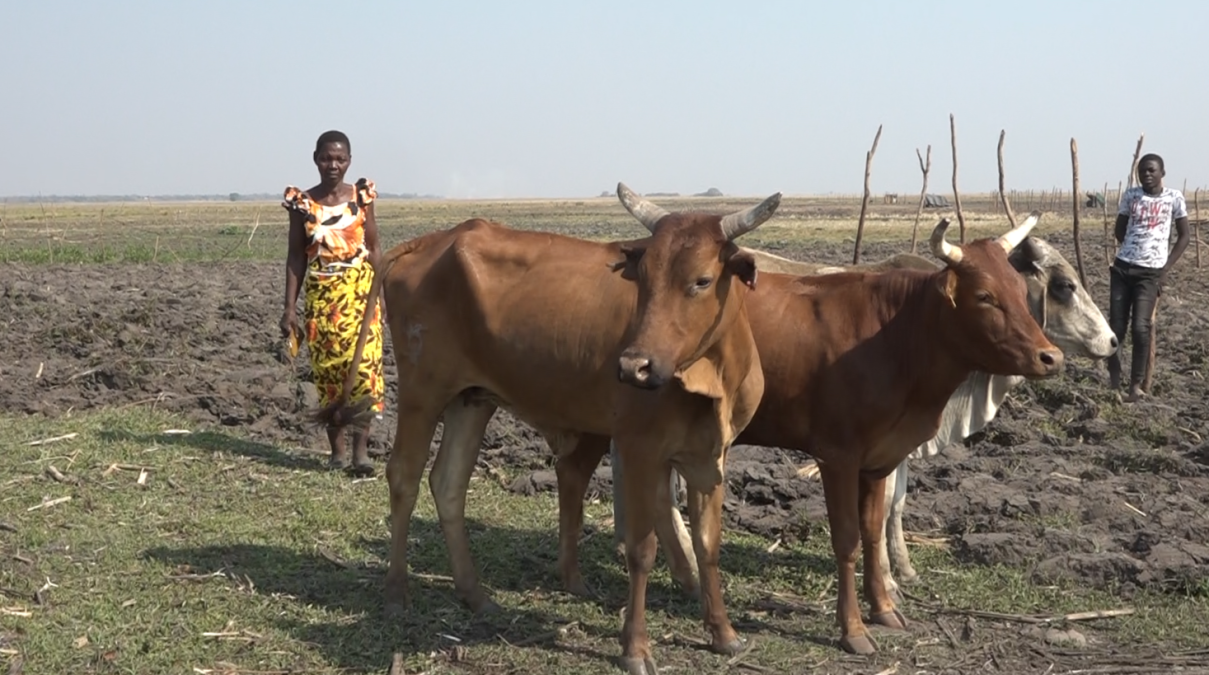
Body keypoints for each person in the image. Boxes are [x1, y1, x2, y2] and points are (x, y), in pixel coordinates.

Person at [280, 130, 385, 475]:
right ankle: (337, 452)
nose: (333, 165)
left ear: (350, 161)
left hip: (360, 299)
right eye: (327, 158)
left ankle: (361, 454)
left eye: (340, 159)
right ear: (315, 159)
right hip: (323, 302)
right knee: (330, 376)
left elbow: (373, 248)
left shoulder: (362, 198)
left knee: (364, 374)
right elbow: (297, 257)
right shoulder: (303, 204)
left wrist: (381, 295)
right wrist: (289, 309)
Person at [1107, 153, 1190, 402]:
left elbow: (1184, 236)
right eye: (1142, 171)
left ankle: (1135, 386)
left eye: (1152, 170)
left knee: (1141, 328)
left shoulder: (1174, 198)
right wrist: (1133, 247)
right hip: (1123, 269)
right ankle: (1113, 384)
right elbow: (1119, 229)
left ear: (1162, 172)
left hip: (1150, 273)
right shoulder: (1131, 195)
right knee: (1117, 327)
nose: (1147, 174)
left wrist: (1164, 268)